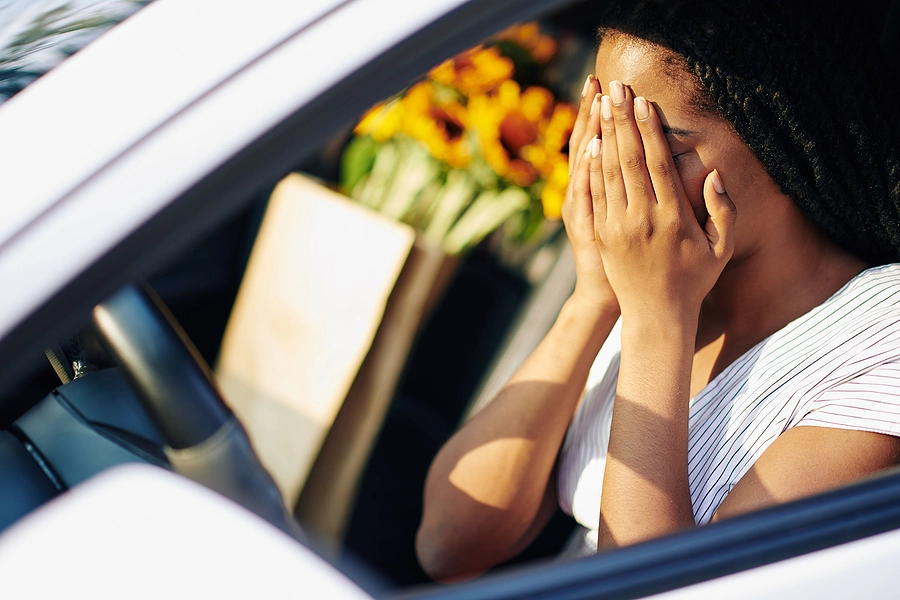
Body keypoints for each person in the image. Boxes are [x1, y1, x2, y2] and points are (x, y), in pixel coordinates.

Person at [414, 0, 900, 582]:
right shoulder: (652, 280)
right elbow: (448, 544)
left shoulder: (879, 342)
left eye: (648, 142)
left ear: (784, 140)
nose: (610, 168)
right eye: (599, 130)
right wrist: (593, 298)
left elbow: (659, 587)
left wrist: (657, 318)